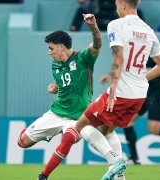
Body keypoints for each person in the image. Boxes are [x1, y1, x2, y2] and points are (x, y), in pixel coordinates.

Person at [74, 0, 160, 179]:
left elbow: (119, 56)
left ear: (122, 4)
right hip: (139, 95)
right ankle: (119, 176)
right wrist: (140, 78)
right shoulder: (148, 30)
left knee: (82, 126)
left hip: (121, 93)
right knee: (106, 131)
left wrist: (113, 88)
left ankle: (116, 162)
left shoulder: (116, 25)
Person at [17, 14, 102, 180]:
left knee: (69, 136)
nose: (49, 52)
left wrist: (93, 26)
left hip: (78, 117)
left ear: (62, 47)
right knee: (22, 143)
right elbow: (63, 81)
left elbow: (97, 45)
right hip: (55, 113)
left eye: (51, 48)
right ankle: (28, 131)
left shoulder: (83, 58)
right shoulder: (55, 64)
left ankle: (43, 176)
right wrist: (55, 88)